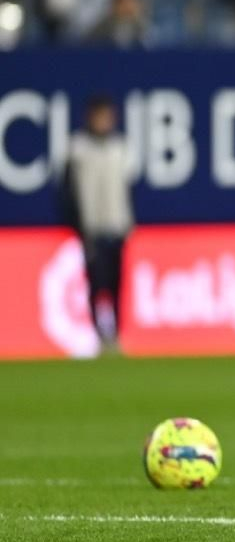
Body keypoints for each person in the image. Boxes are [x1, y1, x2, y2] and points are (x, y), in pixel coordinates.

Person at [59, 95, 134, 354]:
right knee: (96, 283)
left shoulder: (119, 147)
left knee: (116, 283)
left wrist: (127, 223)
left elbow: (127, 189)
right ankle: (99, 336)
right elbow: (68, 191)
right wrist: (77, 226)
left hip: (116, 226)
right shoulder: (77, 148)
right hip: (92, 228)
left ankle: (115, 335)